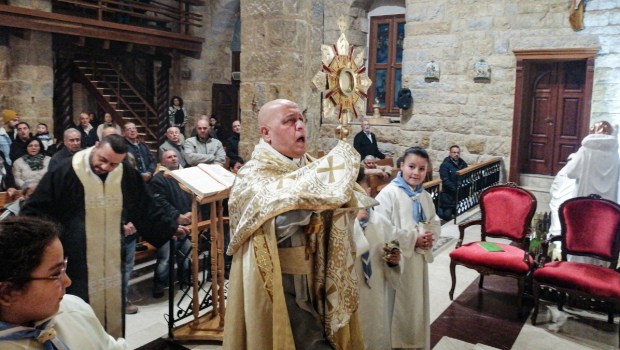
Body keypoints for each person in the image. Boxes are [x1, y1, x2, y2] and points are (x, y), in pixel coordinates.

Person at [223, 99, 370, 350]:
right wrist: (320, 193)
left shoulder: (310, 165)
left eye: (301, 119)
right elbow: (274, 222)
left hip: (317, 273)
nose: (300, 126)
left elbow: (339, 198)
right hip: (280, 281)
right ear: (266, 133)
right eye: (290, 121)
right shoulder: (253, 174)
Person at [21, 134, 186, 337]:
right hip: (76, 258)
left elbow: (144, 205)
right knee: (79, 309)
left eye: (114, 164)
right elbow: (37, 210)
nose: (107, 167)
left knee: (112, 308)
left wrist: (168, 227)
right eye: (103, 160)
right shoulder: (66, 170)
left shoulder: (124, 172)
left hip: (111, 255)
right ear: (96, 145)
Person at [0, 216, 129, 349]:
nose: (67, 281)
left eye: (63, 268)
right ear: (7, 293)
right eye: (55, 274)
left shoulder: (73, 307)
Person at [374, 146, 441, 350]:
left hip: (417, 262)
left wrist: (429, 238)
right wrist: (413, 239)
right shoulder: (388, 194)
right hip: (396, 261)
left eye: (421, 169)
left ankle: (413, 342)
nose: (416, 173)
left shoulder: (425, 196)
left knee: (415, 306)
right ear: (401, 165)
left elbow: (434, 221)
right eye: (411, 166)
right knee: (394, 306)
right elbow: (381, 228)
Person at [149, 150, 192, 298]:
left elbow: (191, 195)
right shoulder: (158, 179)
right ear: (163, 162)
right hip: (166, 225)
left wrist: (190, 212)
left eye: (175, 156)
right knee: (165, 258)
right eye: (169, 157)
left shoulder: (183, 175)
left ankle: (185, 279)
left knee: (186, 254)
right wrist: (177, 216)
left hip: (185, 222)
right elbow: (160, 202)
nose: (174, 159)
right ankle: (159, 286)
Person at [438, 145, 468, 220]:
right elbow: (445, 180)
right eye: (454, 152)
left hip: (459, 195)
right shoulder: (445, 165)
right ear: (450, 153)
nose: (456, 154)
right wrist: (455, 188)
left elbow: (466, 176)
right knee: (446, 215)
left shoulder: (463, 164)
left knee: (459, 214)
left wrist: (461, 188)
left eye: (458, 152)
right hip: (448, 195)